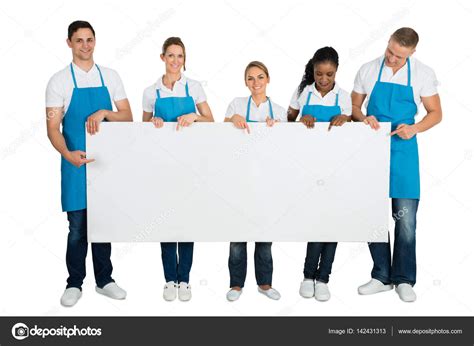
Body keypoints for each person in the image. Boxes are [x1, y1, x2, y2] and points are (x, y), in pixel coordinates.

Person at [352, 27, 442, 302]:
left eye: (398, 55)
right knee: (373, 217)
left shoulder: (424, 74)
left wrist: (414, 128)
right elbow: (354, 107)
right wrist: (363, 118)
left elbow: (436, 113)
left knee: (406, 222)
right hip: (371, 150)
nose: (391, 58)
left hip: (404, 151)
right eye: (390, 50)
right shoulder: (368, 70)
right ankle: (381, 276)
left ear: (412, 53)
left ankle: (404, 279)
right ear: (388, 42)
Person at [46, 21, 131, 307]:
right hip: (76, 164)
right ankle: (74, 283)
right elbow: (52, 128)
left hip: (106, 165)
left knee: (103, 225)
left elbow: (127, 117)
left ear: (95, 41)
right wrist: (68, 155)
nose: (85, 45)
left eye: (90, 39)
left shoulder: (111, 76)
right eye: (79, 40)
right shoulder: (59, 81)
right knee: (78, 228)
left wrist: (105, 110)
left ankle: (104, 280)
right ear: (69, 43)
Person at [142, 37, 214, 302]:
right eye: (170, 56)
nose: (175, 61)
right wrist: (155, 122)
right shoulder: (151, 92)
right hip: (163, 167)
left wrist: (195, 116)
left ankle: (184, 279)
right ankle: (169, 279)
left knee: (186, 223)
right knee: (165, 223)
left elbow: (211, 120)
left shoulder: (194, 88)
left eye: (180, 56)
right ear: (162, 58)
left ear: (185, 59)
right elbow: (142, 130)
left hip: (191, 166)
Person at [288, 47, 352, 301]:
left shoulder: (344, 97)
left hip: (337, 168)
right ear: (312, 70)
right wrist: (304, 119)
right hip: (309, 167)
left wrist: (344, 119)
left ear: (336, 71)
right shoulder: (303, 92)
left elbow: (354, 132)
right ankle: (307, 276)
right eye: (319, 74)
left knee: (333, 223)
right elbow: (287, 124)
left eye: (329, 74)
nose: (324, 79)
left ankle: (323, 277)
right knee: (315, 221)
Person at [224, 61, 287, 301]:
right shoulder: (236, 105)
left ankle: (265, 284)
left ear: (268, 79)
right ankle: (236, 285)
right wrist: (233, 119)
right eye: (250, 78)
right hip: (240, 178)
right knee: (237, 236)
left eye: (260, 77)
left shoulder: (279, 110)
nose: (256, 83)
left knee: (264, 234)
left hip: (268, 180)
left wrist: (278, 128)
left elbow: (285, 148)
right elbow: (221, 137)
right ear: (245, 82)